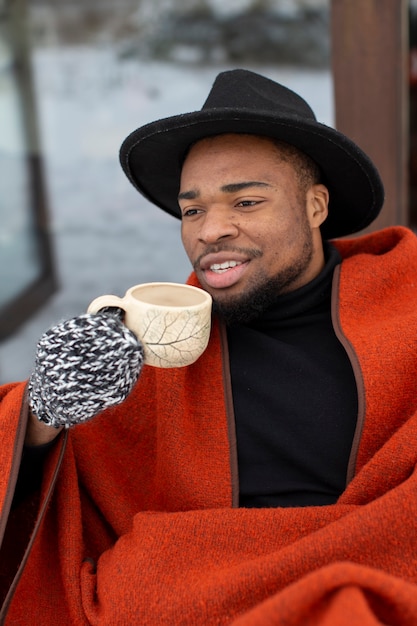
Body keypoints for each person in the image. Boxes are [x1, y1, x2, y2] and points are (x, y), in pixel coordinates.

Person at [1, 68, 417, 624]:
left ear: (316, 207)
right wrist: (43, 414)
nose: (209, 230)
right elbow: (49, 490)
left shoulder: (407, 306)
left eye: (245, 202)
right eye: (192, 209)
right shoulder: (153, 345)